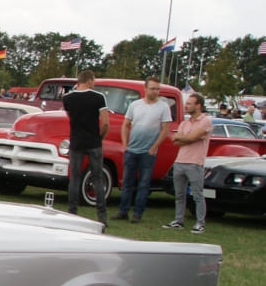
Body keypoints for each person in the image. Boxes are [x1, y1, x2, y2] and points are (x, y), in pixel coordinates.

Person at [115, 76, 171, 223]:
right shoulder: (135, 105)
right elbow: (125, 124)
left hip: (148, 152)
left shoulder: (163, 107)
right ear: (145, 89)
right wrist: (124, 145)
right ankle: (123, 210)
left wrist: (154, 147)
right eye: (152, 88)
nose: (156, 91)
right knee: (127, 182)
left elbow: (165, 129)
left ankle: (137, 213)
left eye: (158, 89)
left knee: (144, 184)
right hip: (131, 150)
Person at [62, 69, 109, 227]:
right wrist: (100, 136)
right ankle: (101, 216)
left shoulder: (67, 98)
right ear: (89, 80)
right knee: (97, 177)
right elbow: (105, 122)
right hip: (94, 141)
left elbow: (70, 118)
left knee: (75, 177)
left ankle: (71, 212)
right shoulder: (98, 97)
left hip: (76, 140)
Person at [163, 92, 210, 233]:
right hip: (180, 161)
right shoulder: (184, 122)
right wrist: (186, 137)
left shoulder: (205, 121)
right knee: (179, 194)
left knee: (197, 194)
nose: (186, 106)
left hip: (195, 163)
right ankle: (178, 220)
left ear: (198, 105)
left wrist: (184, 137)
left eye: (189, 103)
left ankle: (200, 222)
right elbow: (175, 140)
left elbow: (191, 138)